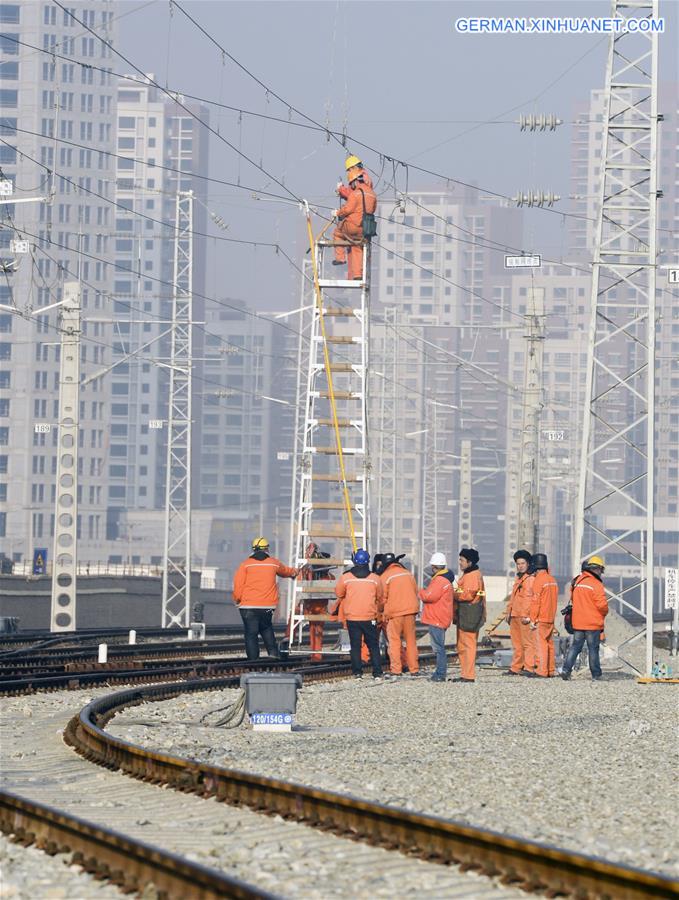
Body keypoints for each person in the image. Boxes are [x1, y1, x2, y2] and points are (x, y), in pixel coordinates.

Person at [233, 538, 298, 660]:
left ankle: (253, 660)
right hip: (268, 606)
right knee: (266, 628)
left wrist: (237, 600)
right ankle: (273, 654)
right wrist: (294, 572)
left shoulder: (245, 564)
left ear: (253, 550)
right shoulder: (273, 563)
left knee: (251, 633)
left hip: (248, 607)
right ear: (267, 549)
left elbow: (238, 585)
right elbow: (285, 571)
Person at [332, 548, 384, 680]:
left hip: (352, 617)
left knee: (355, 646)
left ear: (354, 561)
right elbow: (380, 597)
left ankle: (357, 673)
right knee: (373, 645)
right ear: (368, 561)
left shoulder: (346, 578)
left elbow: (339, 593)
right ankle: (377, 672)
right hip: (369, 617)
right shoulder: (375, 579)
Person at [561, 556, 609, 681]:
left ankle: (566, 670)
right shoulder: (596, 584)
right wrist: (604, 613)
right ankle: (596, 675)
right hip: (592, 623)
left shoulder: (577, 581)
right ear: (598, 569)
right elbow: (602, 605)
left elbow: (572, 598)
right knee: (593, 649)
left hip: (578, 622)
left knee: (575, 647)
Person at [332, 156, 377, 281]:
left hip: (354, 225)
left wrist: (338, 212)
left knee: (337, 232)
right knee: (357, 247)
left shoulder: (356, 191)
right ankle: (357, 274)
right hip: (366, 228)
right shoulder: (372, 193)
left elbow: (349, 207)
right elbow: (372, 208)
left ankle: (340, 258)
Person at [380, 552, 420, 677]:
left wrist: (381, 611)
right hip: (410, 611)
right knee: (411, 641)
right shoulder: (408, 574)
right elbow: (415, 591)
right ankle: (414, 669)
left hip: (394, 613)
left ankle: (396, 670)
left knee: (394, 641)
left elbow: (382, 598)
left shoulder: (385, 576)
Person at [418, 552, 455, 682]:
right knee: (439, 647)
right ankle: (440, 673)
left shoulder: (439, 580)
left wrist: (420, 591)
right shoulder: (445, 580)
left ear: (434, 567)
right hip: (441, 617)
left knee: (438, 648)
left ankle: (440, 674)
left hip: (436, 618)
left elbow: (429, 596)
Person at [453, 547, 486, 682]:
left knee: (468, 645)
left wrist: (453, 593)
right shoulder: (469, 575)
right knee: (462, 645)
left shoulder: (472, 576)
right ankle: (465, 673)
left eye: (462, 560)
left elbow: (468, 594)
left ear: (469, 562)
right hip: (466, 614)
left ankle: (469, 675)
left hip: (469, 615)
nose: (460, 562)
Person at [505, 550, 536, 677]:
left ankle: (529, 667)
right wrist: (509, 612)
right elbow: (513, 597)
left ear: (528, 564)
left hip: (524, 616)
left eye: (523, 563)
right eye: (518, 564)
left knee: (527, 643)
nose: (520, 566)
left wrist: (528, 616)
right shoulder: (519, 578)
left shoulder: (531, 579)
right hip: (515, 615)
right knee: (517, 644)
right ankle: (516, 667)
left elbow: (531, 599)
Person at [528, 553, 559, 678]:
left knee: (540, 645)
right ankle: (550, 670)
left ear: (536, 568)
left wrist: (532, 619)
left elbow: (536, 602)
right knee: (549, 645)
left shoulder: (539, 581)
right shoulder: (552, 580)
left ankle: (541, 671)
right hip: (550, 618)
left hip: (540, 618)